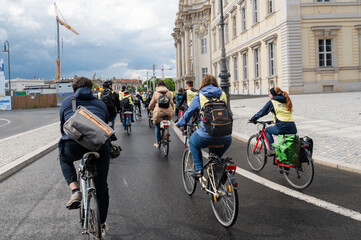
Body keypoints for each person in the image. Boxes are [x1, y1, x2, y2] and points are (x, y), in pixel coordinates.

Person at [59, 77, 110, 232]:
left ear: (74, 90)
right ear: (91, 89)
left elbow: (63, 126)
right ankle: (101, 225)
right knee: (102, 186)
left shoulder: (67, 102)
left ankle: (75, 190)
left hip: (74, 143)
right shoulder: (100, 103)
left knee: (63, 157)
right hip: (99, 145)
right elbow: (105, 124)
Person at [176, 74, 232, 177]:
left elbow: (189, 112)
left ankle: (198, 169)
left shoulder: (200, 95)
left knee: (192, 142)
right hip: (226, 137)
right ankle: (218, 179)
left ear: (203, 83)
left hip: (207, 135)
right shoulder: (223, 94)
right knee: (215, 158)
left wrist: (180, 123)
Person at [249, 86, 297, 156]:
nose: (269, 96)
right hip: (292, 127)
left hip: (282, 126)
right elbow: (282, 114)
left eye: (269, 94)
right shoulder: (285, 100)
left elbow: (262, 112)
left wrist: (253, 119)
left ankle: (272, 149)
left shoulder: (272, 102)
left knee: (267, 131)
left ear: (273, 94)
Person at [149, 80, 174, 148]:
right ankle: (166, 133)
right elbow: (171, 102)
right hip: (168, 112)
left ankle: (157, 142)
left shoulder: (156, 93)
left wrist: (150, 108)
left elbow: (152, 103)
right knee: (166, 122)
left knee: (157, 126)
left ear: (157, 85)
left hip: (159, 112)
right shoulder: (169, 92)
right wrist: (172, 109)